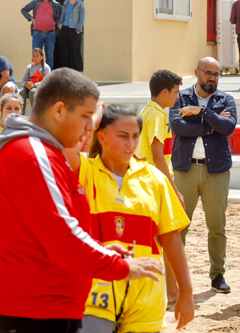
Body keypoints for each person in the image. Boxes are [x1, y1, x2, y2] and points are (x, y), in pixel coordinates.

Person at [0, 68, 164, 333]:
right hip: (32, 310)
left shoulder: (41, 152)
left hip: (42, 306)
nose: (91, 125)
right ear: (58, 111)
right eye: (86, 116)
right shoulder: (34, 155)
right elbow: (63, 239)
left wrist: (101, 249)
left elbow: (52, 233)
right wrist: (121, 266)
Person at [64, 104, 194, 333]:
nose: (130, 143)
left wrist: (186, 292)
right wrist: (93, 121)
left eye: (135, 136)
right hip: (93, 295)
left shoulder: (155, 179)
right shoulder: (84, 171)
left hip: (145, 297)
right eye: (122, 136)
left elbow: (171, 239)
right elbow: (65, 147)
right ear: (101, 137)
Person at [170, 57, 237, 293]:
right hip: (185, 169)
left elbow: (228, 128)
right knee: (179, 225)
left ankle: (217, 275)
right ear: (197, 72)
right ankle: (173, 277)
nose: (213, 78)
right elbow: (177, 127)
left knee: (217, 225)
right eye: (209, 73)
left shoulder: (226, 99)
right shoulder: (180, 97)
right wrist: (210, 124)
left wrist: (201, 112)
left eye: (217, 74)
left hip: (216, 170)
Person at [136, 69, 185, 304]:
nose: (178, 96)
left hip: (146, 181)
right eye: (175, 92)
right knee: (167, 237)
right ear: (164, 92)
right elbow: (158, 156)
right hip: (154, 183)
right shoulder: (156, 115)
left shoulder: (147, 110)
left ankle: (169, 291)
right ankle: (172, 292)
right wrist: (173, 189)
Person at [21, 0, 63, 70]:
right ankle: (35, 78)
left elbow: (63, 13)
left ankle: (48, 78)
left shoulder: (55, 4)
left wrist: (57, 22)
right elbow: (24, 10)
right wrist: (31, 18)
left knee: (49, 58)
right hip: (37, 34)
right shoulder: (35, 2)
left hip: (50, 34)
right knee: (36, 57)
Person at [18, 48, 51, 114]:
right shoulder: (29, 67)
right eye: (34, 56)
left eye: (37, 56)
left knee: (32, 92)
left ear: (42, 56)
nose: (35, 58)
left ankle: (35, 115)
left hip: (40, 89)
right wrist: (26, 84)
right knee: (21, 92)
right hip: (29, 88)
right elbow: (24, 80)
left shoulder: (46, 67)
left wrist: (34, 85)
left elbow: (47, 82)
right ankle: (21, 114)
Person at [57, 0, 85, 72]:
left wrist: (78, 29)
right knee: (64, 52)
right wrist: (60, 25)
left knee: (75, 52)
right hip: (64, 30)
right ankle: (66, 73)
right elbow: (63, 15)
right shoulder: (66, 2)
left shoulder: (80, 3)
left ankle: (79, 73)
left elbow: (82, 18)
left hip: (74, 30)